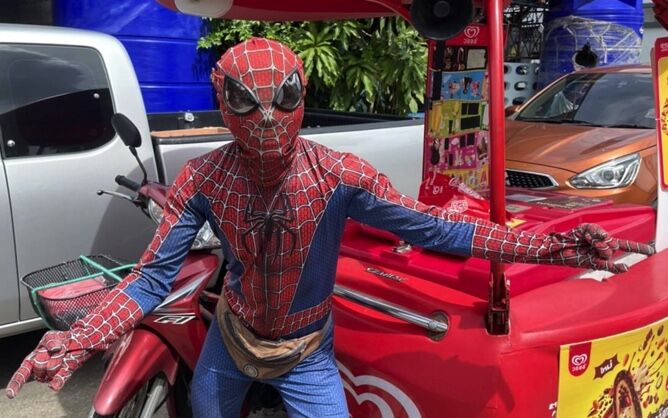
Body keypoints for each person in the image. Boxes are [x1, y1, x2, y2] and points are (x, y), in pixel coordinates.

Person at [5, 38, 655, 417]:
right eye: (245, 101)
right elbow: (151, 278)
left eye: (282, 98)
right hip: (232, 337)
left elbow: (437, 230)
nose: (265, 119)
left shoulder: (338, 174)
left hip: (308, 349)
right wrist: (85, 334)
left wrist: (548, 244)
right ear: (220, 102)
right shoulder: (203, 180)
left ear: (303, 94)